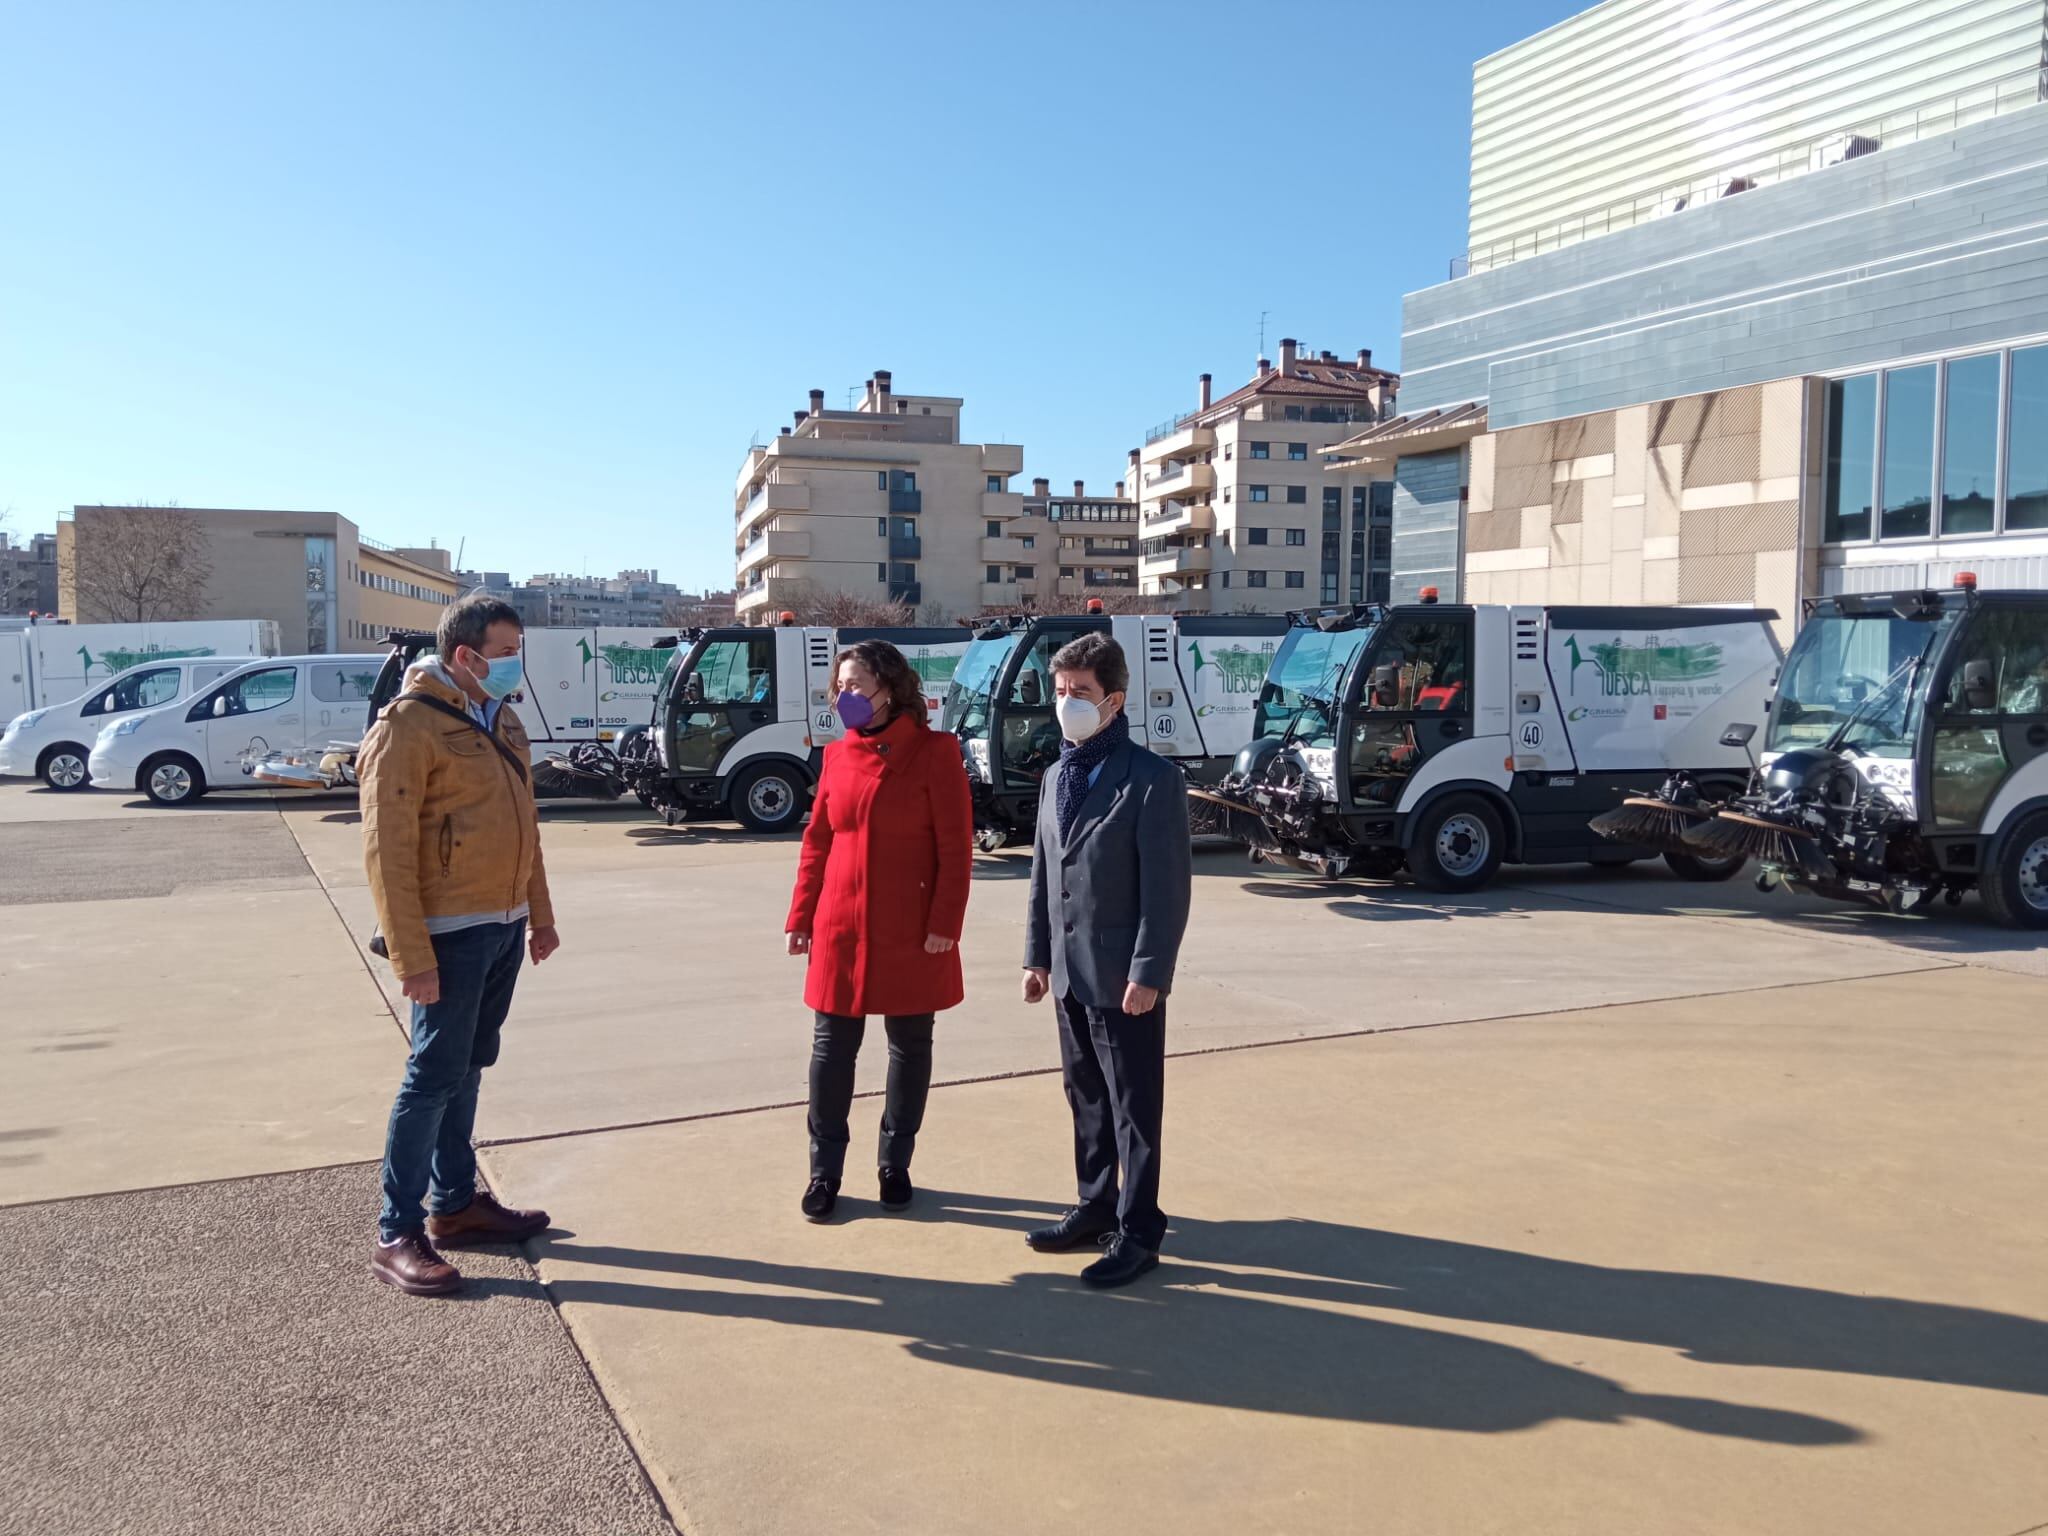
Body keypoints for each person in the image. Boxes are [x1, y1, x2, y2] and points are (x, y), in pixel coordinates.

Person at [361, 595, 561, 1296]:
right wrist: (411, 955)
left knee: (469, 1066)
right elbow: (386, 850)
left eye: (517, 650)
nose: (515, 663)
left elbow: (526, 825)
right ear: (464, 655)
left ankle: (453, 1205)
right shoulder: (408, 725)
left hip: (502, 925)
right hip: (449, 932)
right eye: (505, 652)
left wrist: (539, 916)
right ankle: (397, 1231)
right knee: (432, 1076)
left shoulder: (500, 718)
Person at [1022, 632, 1192, 1288]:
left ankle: (1139, 1230)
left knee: (1132, 1107)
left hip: (1124, 978)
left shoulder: (1151, 780)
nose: (1067, 702)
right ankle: (1095, 1205)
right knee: (1085, 1095)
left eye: (1081, 692)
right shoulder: (1055, 776)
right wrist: (1037, 956)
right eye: (1061, 691)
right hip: (1069, 972)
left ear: (1114, 701)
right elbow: (1044, 874)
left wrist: (1149, 973)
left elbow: (1167, 890)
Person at [786, 639, 973, 1222]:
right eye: (839, 687)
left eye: (856, 687)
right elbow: (818, 841)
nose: (844, 697)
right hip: (840, 925)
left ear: (888, 690)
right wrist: (801, 915)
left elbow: (955, 848)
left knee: (909, 1046)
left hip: (913, 926)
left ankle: (895, 1163)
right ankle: (824, 1171)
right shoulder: (836, 755)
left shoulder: (935, 753)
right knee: (830, 1049)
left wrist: (945, 922)